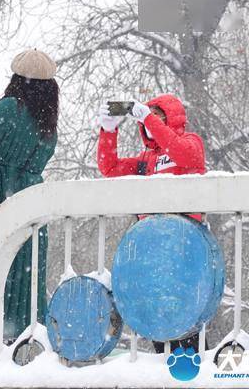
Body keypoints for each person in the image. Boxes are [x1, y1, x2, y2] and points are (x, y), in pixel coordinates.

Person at [0, 49, 59, 342]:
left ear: (17, 80)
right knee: (28, 279)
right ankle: (28, 342)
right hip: (33, 202)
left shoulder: (9, 108)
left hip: (1, 199)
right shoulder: (48, 121)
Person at [96, 93, 206, 353]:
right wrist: (108, 130)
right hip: (152, 254)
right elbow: (109, 168)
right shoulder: (146, 159)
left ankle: (194, 374)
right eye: (145, 118)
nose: (149, 123)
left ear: (171, 118)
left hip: (183, 251)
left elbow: (184, 155)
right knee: (159, 325)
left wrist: (148, 117)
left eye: (157, 117)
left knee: (186, 324)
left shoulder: (191, 142)